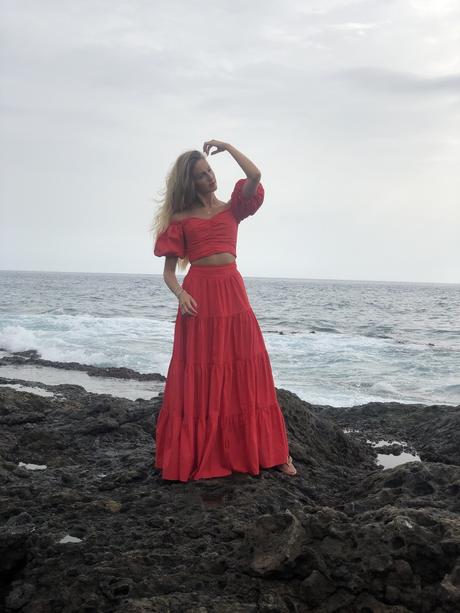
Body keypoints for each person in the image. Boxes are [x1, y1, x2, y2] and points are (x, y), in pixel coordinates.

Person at [152, 139, 297, 481]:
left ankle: (273, 454)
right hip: (199, 297)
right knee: (202, 373)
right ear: (190, 183)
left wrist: (228, 148)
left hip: (232, 293)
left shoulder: (233, 207)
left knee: (247, 369)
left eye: (210, 171)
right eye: (202, 176)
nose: (210, 178)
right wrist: (179, 295)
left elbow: (255, 174)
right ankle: (202, 453)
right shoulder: (181, 218)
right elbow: (169, 272)